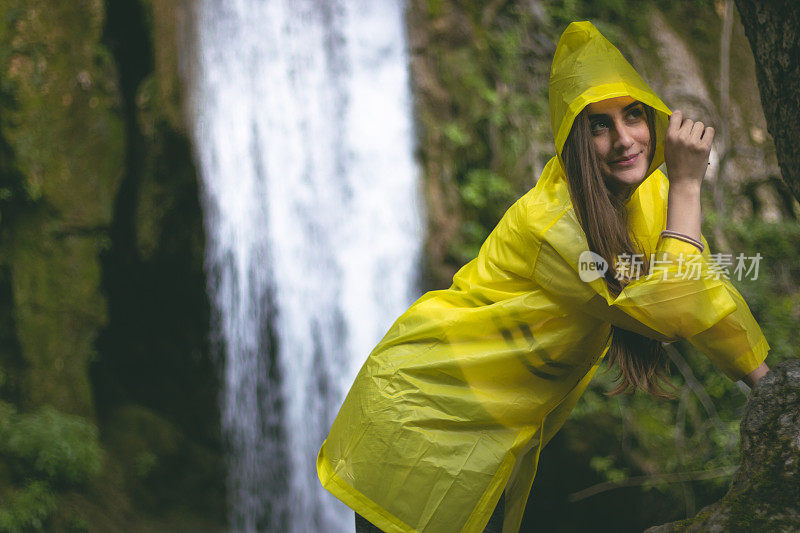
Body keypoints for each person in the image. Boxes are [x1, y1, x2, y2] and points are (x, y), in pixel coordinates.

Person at [317, 21, 770, 533]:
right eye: (599, 125)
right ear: (574, 138)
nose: (624, 140)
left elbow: (700, 288)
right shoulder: (553, 224)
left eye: (634, 116)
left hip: (490, 429)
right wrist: (689, 185)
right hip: (422, 415)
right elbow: (669, 309)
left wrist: (768, 384)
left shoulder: (647, 196)